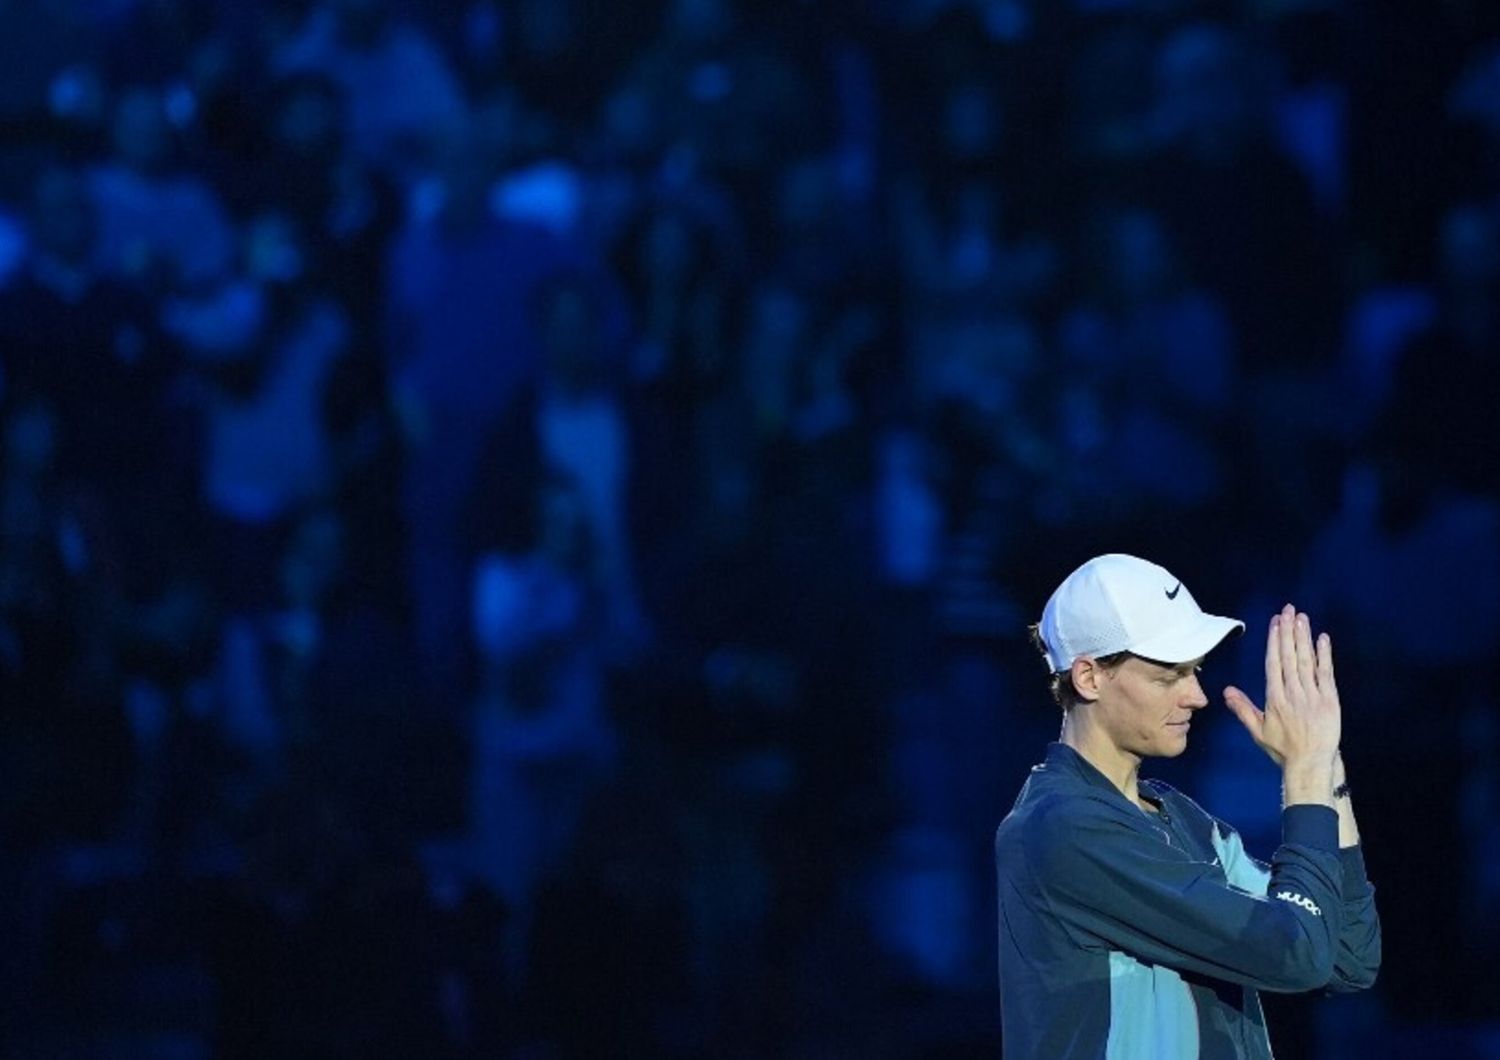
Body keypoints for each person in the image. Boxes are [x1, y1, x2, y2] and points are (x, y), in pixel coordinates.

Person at [995, 554, 1380, 1058]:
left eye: (1194, 671)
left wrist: (1327, 771)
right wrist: (1302, 773)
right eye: (1167, 676)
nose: (1197, 695)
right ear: (1089, 677)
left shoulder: (1185, 821)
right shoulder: (1061, 828)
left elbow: (1347, 956)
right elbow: (1296, 954)